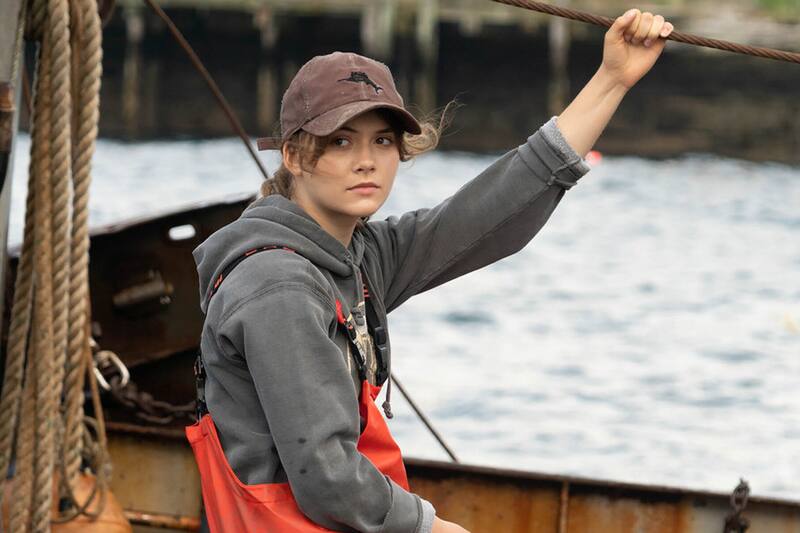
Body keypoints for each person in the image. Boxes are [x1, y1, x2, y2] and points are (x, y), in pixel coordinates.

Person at [187, 8, 674, 533]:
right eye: (341, 142)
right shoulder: (278, 286)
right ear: (295, 156)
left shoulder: (357, 255)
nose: (367, 161)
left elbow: (487, 213)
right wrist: (433, 527)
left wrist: (611, 79)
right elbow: (326, 476)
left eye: (382, 141)